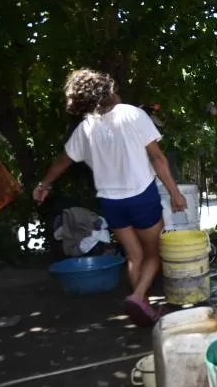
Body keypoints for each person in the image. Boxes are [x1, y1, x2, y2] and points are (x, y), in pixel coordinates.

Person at [33, 69, 187, 327]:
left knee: (134, 256)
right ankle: (138, 296)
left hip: (111, 203)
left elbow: (63, 161)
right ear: (107, 90)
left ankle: (142, 306)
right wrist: (174, 192)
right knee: (153, 254)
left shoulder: (86, 128)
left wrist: (44, 184)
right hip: (141, 197)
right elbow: (158, 158)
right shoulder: (133, 114)